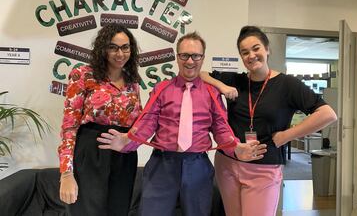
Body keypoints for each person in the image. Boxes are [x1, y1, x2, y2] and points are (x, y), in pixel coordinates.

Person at [97, 31, 267, 216]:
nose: (190, 61)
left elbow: (221, 128)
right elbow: (147, 122)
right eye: (184, 55)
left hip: (198, 166)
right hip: (161, 166)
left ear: (203, 58)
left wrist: (235, 147)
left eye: (196, 56)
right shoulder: (162, 89)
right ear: (177, 57)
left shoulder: (212, 92)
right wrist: (128, 141)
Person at [200, 26, 338, 216]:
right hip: (228, 164)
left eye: (256, 48)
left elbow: (327, 114)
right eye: (245, 52)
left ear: (267, 49)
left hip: (263, 169)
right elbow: (201, 74)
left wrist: (286, 136)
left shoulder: (287, 85)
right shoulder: (236, 80)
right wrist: (221, 86)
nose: (251, 55)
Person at [58, 23, 142, 216]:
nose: (120, 53)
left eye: (125, 47)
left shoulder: (132, 81)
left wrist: (132, 140)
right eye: (113, 47)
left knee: (118, 211)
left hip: (124, 157)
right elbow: (69, 126)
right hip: (91, 153)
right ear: (103, 48)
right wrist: (67, 173)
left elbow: (139, 119)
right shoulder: (83, 74)